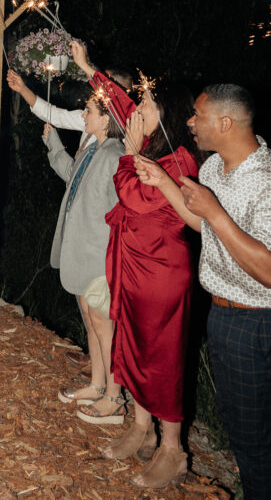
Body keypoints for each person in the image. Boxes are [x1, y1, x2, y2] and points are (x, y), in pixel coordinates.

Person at [136, 85, 271, 500]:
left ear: (225, 123)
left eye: (197, 115)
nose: (189, 122)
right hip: (225, 315)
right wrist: (165, 183)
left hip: (261, 321)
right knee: (243, 435)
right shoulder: (213, 169)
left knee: (255, 446)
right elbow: (201, 221)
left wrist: (214, 211)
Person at [100, 77, 200, 488]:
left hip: (162, 272)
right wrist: (90, 69)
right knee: (134, 344)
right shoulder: (152, 146)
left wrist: (127, 151)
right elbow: (121, 107)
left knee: (164, 357)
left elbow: (135, 198)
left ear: (166, 115)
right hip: (134, 266)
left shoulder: (180, 161)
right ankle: (141, 427)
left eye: (146, 105)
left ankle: (173, 449)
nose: (137, 111)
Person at [42, 94, 124, 423]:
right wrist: (54, 144)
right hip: (81, 252)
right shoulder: (92, 149)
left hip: (98, 255)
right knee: (91, 322)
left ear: (106, 119)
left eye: (88, 111)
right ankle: (97, 384)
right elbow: (70, 174)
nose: (83, 115)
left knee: (106, 327)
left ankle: (115, 398)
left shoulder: (116, 155)